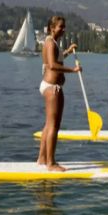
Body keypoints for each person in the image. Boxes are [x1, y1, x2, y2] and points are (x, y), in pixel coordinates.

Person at [38, 16, 80, 171]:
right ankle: (51, 163)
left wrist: (68, 51)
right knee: (54, 126)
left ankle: (42, 158)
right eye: (61, 27)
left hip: (50, 86)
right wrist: (72, 70)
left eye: (64, 26)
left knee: (49, 124)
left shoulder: (54, 43)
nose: (63, 29)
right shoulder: (50, 43)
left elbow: (58, 58)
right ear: (52, 27)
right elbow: (53, 65)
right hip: (52, 87)